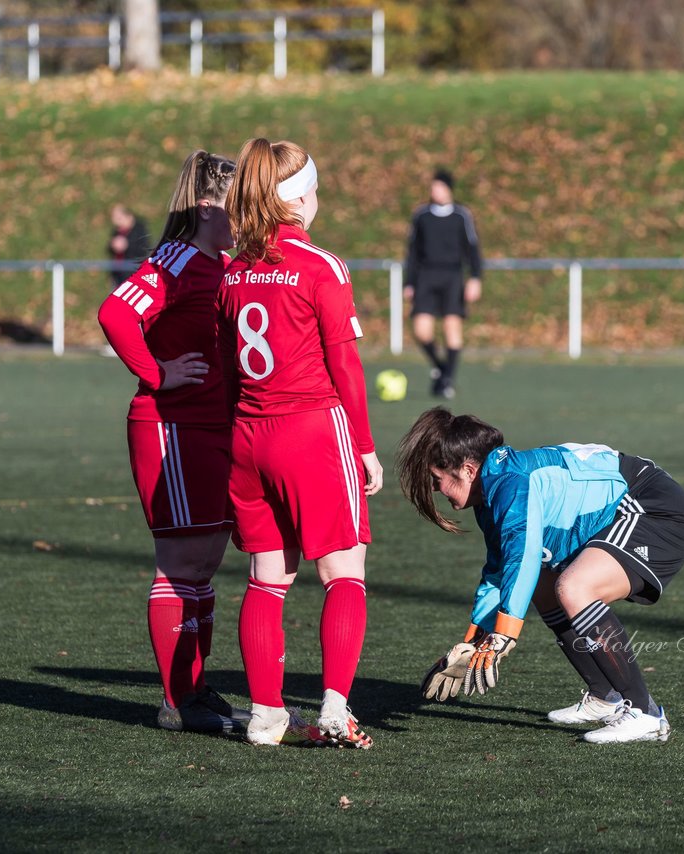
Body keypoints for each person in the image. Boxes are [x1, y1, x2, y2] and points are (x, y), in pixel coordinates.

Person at [217, 138, 382, 749]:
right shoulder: (321, 266)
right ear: (300, 199)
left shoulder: (233, 271)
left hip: (247, 435)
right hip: (311, 431)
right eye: (316, 189)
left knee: (267, 578)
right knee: (344, 573)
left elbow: (225, 370)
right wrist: (364, 447)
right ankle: (335, 709)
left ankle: (264, 715)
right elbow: (347, 368)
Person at [400, 407, 684, 744]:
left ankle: (644, 713)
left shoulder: (511, 483)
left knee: (573, 587)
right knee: (543, 587)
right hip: (625, 510)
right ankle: (605, 697)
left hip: (654, 509)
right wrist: (473, 640)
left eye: (437, 480)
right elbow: (499, 571)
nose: (436, 490)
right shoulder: (493, 489)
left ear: (468, 470)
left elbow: (522, 555)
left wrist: (506, 634)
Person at [97, 150, 245, 734]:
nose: (248, 213)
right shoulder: (176, 258)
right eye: (239, 203)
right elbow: (114, 313)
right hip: (170, 426)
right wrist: (158, 374)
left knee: (205, 563)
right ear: (208, 206)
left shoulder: (223, 262)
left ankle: (194, 689)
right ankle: (177, 702)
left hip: (212, 427)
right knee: (181, 564)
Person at [403, 169, 483, 399]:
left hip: (452, 277)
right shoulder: (421, 215)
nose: (434, 191)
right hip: (426, 277)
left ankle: (447, 380)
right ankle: (441, 368)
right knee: (421, 330)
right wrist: (409, 282)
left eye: (439, 186)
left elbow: (473, 249)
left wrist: (475, 278)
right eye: (432, 187)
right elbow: (413, 252)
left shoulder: (462, 215)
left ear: (448, 188)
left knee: (452, 330)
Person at [106, 203, 153, 287]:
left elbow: (144, 249)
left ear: (128, 215)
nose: (116, 222)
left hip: (135, 274)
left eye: (119, 218)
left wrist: (127, 245)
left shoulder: (139, 229)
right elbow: (110, 251)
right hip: (119, 276)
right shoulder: (117, 232)